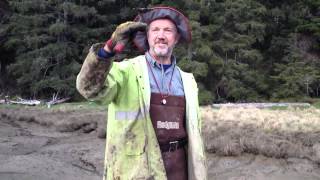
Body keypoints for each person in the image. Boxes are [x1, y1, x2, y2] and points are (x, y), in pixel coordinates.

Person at [76, 6, 207, 180]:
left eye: (168, 30)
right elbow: (88, 89)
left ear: (176, 39)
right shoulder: (124, 71)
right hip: (138, 171)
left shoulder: (188, 81)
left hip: (180, 168)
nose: (161, 35)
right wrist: (108, 49)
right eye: (155, 30)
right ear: (147, 36)